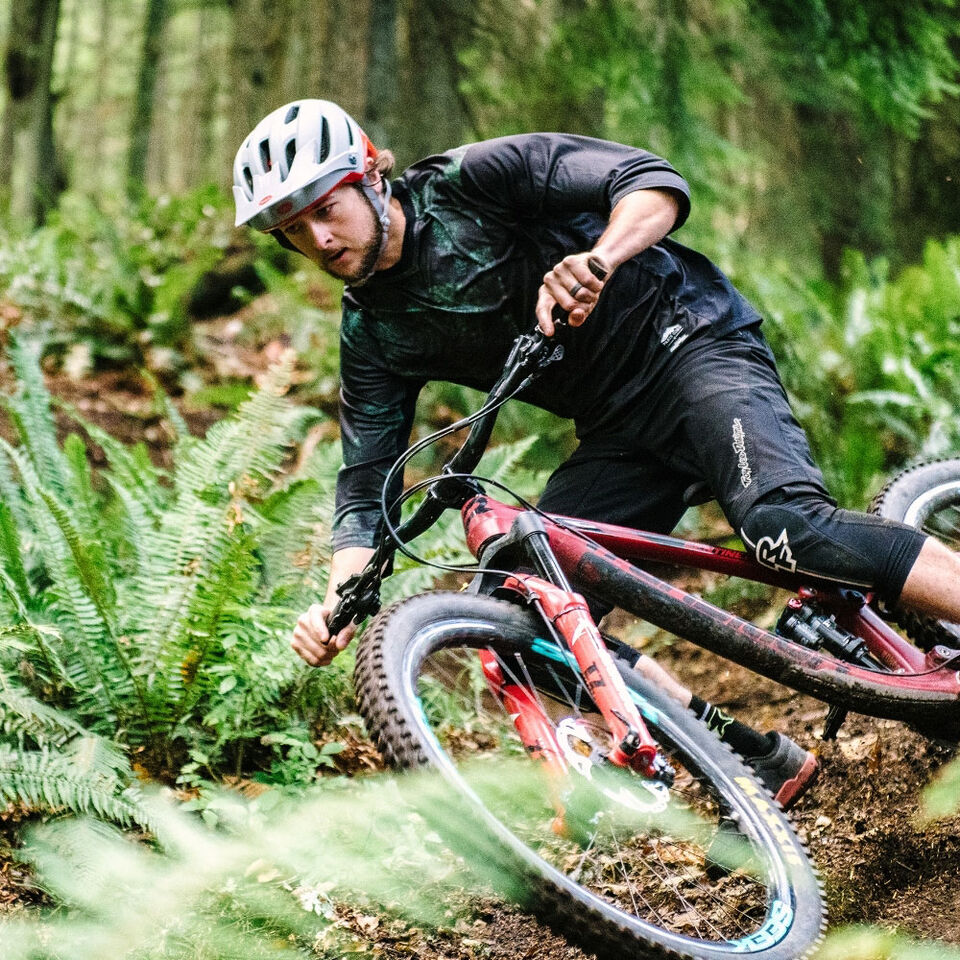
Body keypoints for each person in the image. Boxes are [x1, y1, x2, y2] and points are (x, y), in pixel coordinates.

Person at [233, 99, 960, 808]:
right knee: (517, 623)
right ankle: (744, 754)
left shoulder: (474, 181)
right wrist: (339, 600)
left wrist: (600, 258)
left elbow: (652, 183)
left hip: (691, 343)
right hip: (618, 430)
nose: (319, 239)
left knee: (784, 528)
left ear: (370, 177)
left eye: (326, 208)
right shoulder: (372, 333)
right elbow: (366, 488)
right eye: (295, 230)